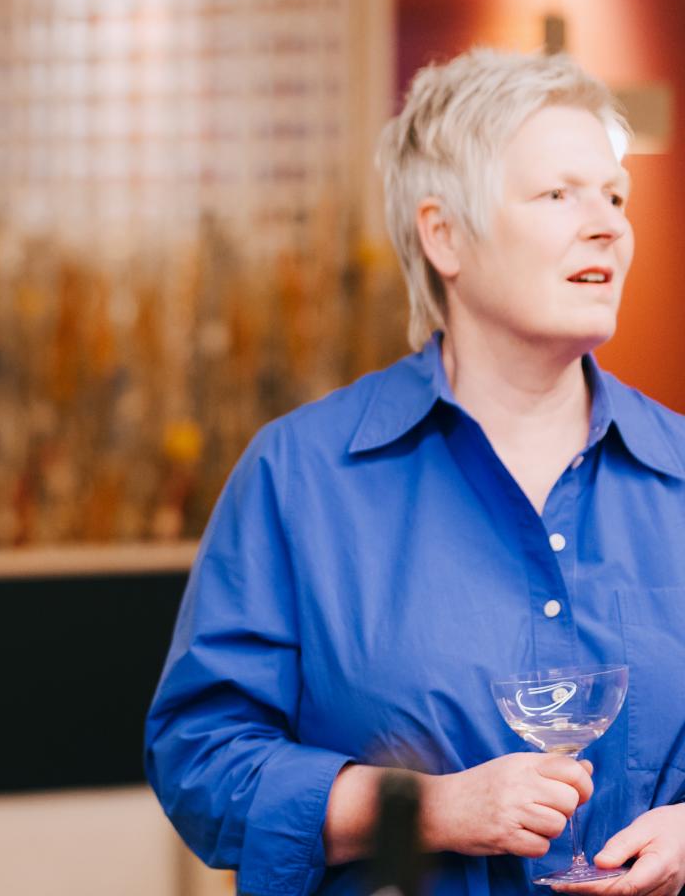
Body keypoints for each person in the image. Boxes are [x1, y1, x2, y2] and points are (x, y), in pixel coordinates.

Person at [147, 48, 685, 896]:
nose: (609, 223)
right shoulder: (302, 477)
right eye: (558, 194)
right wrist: (430, 810)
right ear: (444, 235)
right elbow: (202, 762)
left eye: (614, 195)